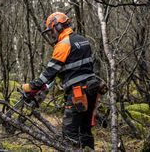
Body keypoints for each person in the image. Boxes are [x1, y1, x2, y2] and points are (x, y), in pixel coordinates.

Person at [22, 12, 101, 150]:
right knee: (85, 131)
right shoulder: (83, 40)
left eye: (52, 30)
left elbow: (49, 73)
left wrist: (31, 86)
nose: (52, 34)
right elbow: (75, 67)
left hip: (78, 93)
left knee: (69, 133)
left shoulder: (63, 44)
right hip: (92, 89)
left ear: (57, 26)